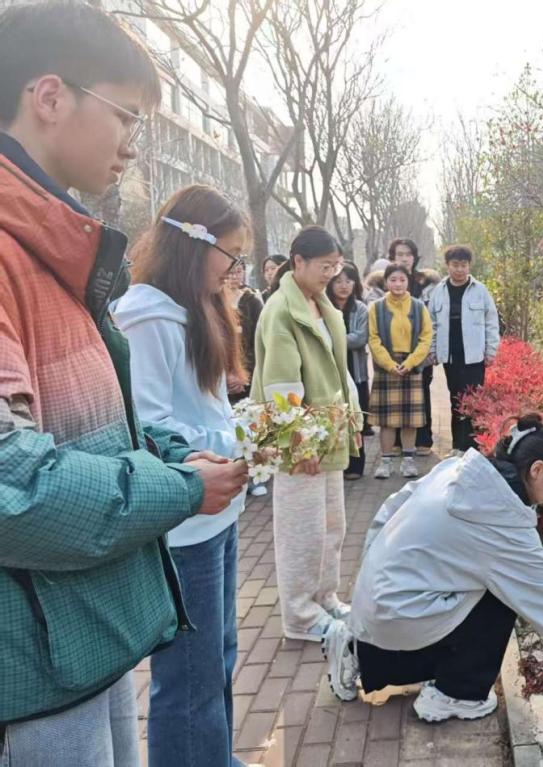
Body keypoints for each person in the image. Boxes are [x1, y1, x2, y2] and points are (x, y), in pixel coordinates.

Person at [0, 4, 246, 764]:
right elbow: (13, 483)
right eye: (127, 118)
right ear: (50, 97)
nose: (134, 148)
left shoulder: (56, 247)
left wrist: (172, 456)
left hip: (81, 630)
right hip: (36, 662)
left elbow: (110, 425)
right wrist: (176, 486)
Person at [322, 415, 543, 720]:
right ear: (537, 470)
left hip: (382, 599)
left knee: (481, 590)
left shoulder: (462, 470)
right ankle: (457, 693)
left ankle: (360, 651)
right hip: (395, 611)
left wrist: (370, 578)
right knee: (499, 599)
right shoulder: (500, 520)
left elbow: (392, 505)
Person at [111, 185, 249, 767]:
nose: (234, 269)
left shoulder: (196, 307)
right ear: (195, 244)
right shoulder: (147, 316)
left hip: (219, 509)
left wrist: (251, 432)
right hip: (185, 520)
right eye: (231, 255)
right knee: (188, 676)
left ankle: (215, 757)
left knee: (217, 655)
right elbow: (148, 429)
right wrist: (243, 441)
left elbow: (206, 412)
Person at [251, 226, 363, 642]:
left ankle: (324, 596)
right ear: (297, 261)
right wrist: (298, 440)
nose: (332, 275)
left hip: (327, 434)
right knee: (302, 531)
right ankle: (299, 616)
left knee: (332, 525)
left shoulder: (320, 304)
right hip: (301, 442)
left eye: (336, 267)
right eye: (324, 266)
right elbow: (282, 385)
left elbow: (339, 372)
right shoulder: (281, 310)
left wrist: (350, 420)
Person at [369, 239, 440, 455]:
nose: (404, 258)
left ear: (414, 257)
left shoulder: (426, 283)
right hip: (389, 358)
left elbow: (430, 326)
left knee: (421, 398)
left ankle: (422, 441)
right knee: (392, 409)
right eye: (399, 254)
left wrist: (420, 357)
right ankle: (395, 446)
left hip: (418, 355)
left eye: (408, 254)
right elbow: (374, 335)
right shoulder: (378, 293)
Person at [428, 245, 500, 454]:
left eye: (463, 265)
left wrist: (491, 351)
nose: (459, 269)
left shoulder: (480, 290)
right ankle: (457, 446)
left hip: (475, 357)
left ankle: (473, 446)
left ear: (469, 266)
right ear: (447, 265)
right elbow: (432, 323)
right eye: (455, 265)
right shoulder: (439, 291)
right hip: (451, 356)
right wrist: (433, 350)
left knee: (473, 403)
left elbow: (491, 322)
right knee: (455, 400)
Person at [366, 263, 433, 480]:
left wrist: (412, 362)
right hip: (387, 367)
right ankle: (385, 462)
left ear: (408, 282)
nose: (397, 284)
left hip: (410, 367)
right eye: (393, 279)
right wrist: (388, 363)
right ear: (386, 282)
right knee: (387, 420)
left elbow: (426, 338)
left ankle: (408, 461)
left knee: (409, 420)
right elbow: (373, 339)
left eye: (402, 280)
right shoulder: (376, 308)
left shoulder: (418, 307)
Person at [328, 262, 372, 479]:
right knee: (335, 419)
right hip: (331, 373)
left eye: (348, 280)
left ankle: (356, 465)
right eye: (338, 281)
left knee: (356, 420)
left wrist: (332, 339)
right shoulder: (323, 307)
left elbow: (360, 338)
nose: (343, 286)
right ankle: (338, 464)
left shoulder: (361, 309)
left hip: (356, 372)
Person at [225, 258, 264, 403]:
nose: (234, 277)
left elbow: (258, 342)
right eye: (230, 273)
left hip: (248, 374)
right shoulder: (214, 301)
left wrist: (244, 374)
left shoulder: (252, 301)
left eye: (238, 272)